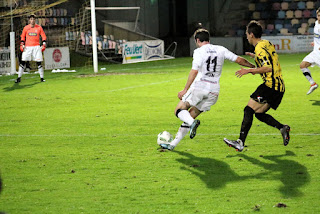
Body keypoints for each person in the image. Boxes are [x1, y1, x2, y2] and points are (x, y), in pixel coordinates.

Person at [160, 28, 255, 151]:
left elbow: (194, 71)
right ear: (209, 39)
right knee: (190, 117)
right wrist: (253, 68)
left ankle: (191, 123)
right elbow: (239, 60)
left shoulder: (198, 51)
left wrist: (185, 89)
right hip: (214, 92)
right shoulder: (221, 49)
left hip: (200, 87)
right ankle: (173, 144)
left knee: (179, 111)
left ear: (197, 40)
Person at [223, 20, 290, 152]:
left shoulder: (259, 48)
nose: (246, 36)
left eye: (247, 34)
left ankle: (240, 142)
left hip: (271, 86)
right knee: (258, 113)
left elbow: (268, 68)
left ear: (251, 34)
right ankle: (283, 128)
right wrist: (255, 57)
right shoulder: (266, 43)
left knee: (248, 110)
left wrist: (248, 70)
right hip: (279, 87)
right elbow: (269, 59)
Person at [15, 14, 47, 83]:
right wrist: (22, 44)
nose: (32, 20)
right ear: (29, 20)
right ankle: (19, 78)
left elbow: (43, 36)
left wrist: (44, 43)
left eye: (33, 19)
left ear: (35, 20)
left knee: (39, 62)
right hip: (28, 47)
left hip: (36, 47)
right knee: (23, 61)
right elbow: (23, 37)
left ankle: (42, 78)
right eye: (31, 19)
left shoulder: (39, 28)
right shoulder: (26, 28)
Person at [299, 7, 320, 95]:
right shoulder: (316, 23)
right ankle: (313, 83)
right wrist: (315, 42)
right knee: (303, 65)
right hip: (315, 52)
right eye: (319, 15)